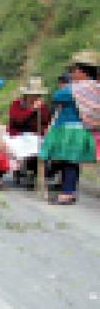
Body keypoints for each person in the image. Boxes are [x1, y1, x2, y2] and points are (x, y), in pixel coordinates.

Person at [40, 50, 99, 205]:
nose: (72, 73)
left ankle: (67, 193)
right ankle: (69, 190)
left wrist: (70, 86)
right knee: (72, 161)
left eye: (74, 70)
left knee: (69, 161)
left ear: (83, 72)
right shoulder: (95, 88)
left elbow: (57, 96)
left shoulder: (77, 88)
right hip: (83, 128)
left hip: (71, 129)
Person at [7, 77, 51, 184]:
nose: (35, 97)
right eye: (33, 95)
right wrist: (31, 110)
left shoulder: (42, 107)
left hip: (36, 135)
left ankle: (36, 172)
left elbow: (46, 122)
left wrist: (44, 129)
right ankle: (22, 168)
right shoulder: (17, 104)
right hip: (18, 134)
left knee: (41, 147)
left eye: (37, 95)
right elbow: (17, 119)